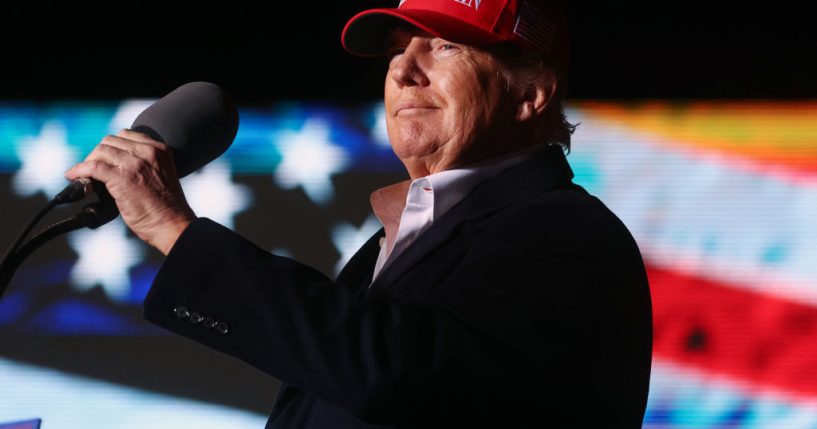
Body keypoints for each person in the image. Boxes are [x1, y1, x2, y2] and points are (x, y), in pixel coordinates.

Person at [64, 0, 652, 427]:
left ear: (530, 95)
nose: (402, 70)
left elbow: (395, 371)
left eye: (445, 46)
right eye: (399, 49)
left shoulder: (566, 234)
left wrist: (172, 228)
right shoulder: (399, 237)